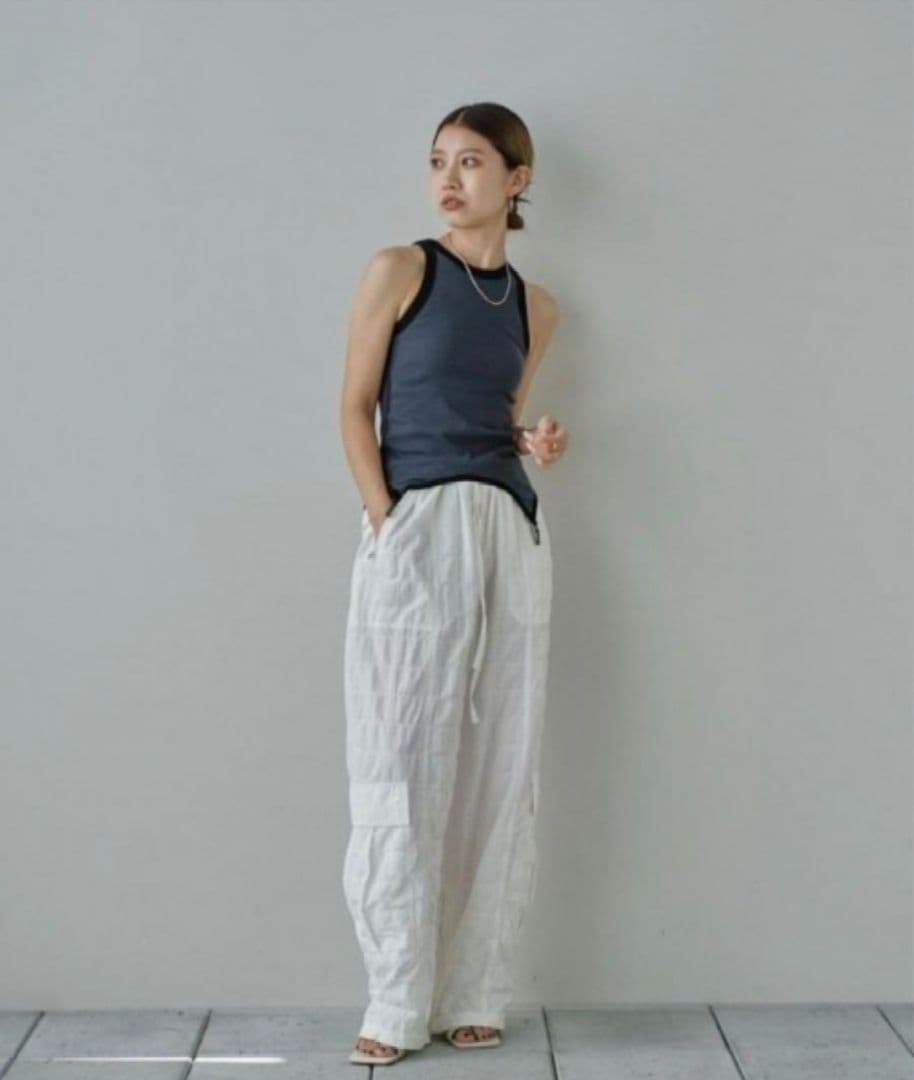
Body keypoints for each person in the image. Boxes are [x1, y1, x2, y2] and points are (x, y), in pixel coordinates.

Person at [338, 101, 568, 1067]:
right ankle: (396, 999)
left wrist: (535, 443)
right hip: (417, 526)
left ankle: (476, 990)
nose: (449, 178)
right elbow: (356, 407)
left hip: (510, 529)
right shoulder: (401, 269)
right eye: (439, 160)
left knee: (502, 765)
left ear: (516, 181)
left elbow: (499, 417)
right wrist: (385, 520)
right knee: (398, 760)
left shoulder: (536, 307)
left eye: (472, 162)